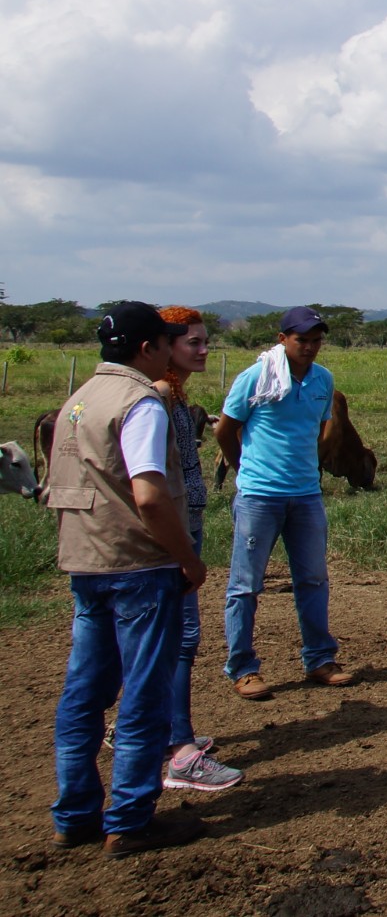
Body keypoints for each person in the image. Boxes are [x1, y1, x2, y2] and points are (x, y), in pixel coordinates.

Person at [45, 303, 207, 856]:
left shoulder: (80, 398)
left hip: (85, 563)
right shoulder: (142, 403)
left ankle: (74, 814)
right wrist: (186, 557)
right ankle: (130, 819)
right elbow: (149, 495)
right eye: (166, 340)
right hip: (139, 567)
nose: (171, 349)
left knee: (84, 693)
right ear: (147, 348)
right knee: (144, 695)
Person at [215, 306, 354, 700]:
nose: (310, 348)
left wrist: (312, 461)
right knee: (245, 585)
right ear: (283, 340)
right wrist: (243, 468)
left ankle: (319, 659)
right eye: (302, 340)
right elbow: (226, 430)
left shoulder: (322, 380)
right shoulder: (255, 377)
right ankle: (242, 668)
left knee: (312, 579)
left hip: (306, 495)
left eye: (316, 341)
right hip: (260, 496)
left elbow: (324, 428)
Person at [155, 306, 243, 793]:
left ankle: (159, 731)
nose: (205, 349)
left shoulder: (173, 396)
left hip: (177, 526)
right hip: (172, 533)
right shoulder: (162, 397)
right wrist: (183, 548)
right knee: (181, 637)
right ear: (166, 346)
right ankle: (181, 751)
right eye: (194, 342)